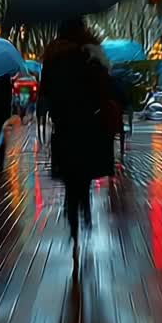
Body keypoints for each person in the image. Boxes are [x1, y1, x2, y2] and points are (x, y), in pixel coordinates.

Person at [41, 19, 116, 253]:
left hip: (64, 125)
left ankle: (73, 211)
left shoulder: (52, 58)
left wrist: (47, 115)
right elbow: (104, 90)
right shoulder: (91, 54)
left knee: (70, 173)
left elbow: (45, 92)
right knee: (83, 172)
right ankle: (83, 205)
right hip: (88, 125)